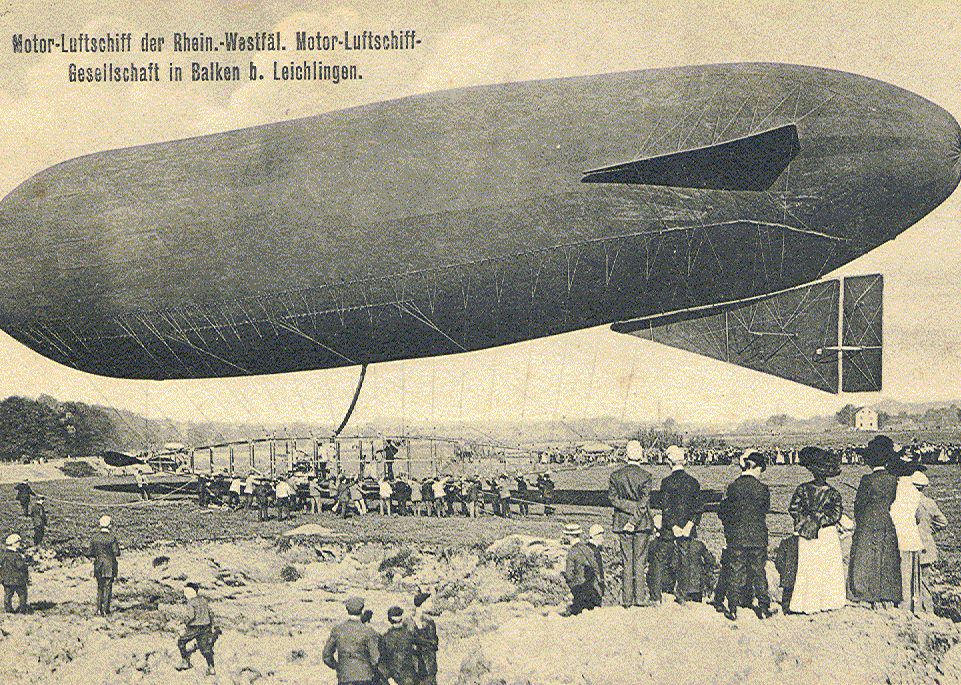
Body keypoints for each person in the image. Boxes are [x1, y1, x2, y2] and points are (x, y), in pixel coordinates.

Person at [788, 446, 845, 614]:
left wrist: (805, 521)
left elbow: (793, 508)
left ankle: (806, 603)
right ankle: (828, 601)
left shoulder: (803, 488)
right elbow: (836, 515)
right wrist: (821, 520)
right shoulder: (833, 493)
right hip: (826, 532)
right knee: (828, 567)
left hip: (807, 531)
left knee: (808, 567)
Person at [849, 435, 902, 608]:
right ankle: (887, 594)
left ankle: (867, 594)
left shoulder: (867, 480)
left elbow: (859, 505)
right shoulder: (893, 479)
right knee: (886, 559)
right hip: (886, 522)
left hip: (868, 523)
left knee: (866, 558)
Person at [721, 450, 772, 620]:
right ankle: (764, 608)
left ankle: (733, 608)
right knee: (759, 572)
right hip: (757, 536)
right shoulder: (762, 489)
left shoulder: (733, 487)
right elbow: (764, 510)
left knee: (735, 570)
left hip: (737, 536)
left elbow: (725, 512)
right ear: (755, 467)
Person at [651, 445, 701, 606]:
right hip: (687, 528)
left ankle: (658, 596)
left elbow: (666, 508)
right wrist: (689, 525)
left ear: (669, 462)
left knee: (661, 559)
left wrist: (673, 526)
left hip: (669, 529)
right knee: (685, 560)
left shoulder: (666, 482)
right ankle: (682, 595)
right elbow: (697, 508)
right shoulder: (693, 482)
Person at [608, 440, 654, 607]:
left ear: (626, 455)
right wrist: (635, 516)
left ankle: (627, 600)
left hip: (622, 522)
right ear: (641, 455)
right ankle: (640, 599)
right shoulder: (646, 476)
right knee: (640, 561)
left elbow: (613, 499)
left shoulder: (615, 476)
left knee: (627, 561)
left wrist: (628, 513)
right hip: (641, 523)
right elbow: (643, 503)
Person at [890, 467, 925, 614]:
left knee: (902, 575)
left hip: (899, 540)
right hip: (913, 540)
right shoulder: (915, 493)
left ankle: (902, 607)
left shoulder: (897, 491)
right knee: (914, 578)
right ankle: (914, 607)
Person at [323, 597, 381, 685]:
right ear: (361, 609)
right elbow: (375, 658)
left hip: (344, 678)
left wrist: (338, 667)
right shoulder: (368, 631)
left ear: (347, 609)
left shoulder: (338, 630)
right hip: (365, 677)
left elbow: (327, 655)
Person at [915, 472, 947, 613]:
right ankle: (928, 611)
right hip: (927, 545)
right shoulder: (929, 503)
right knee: (925, 582)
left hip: (912, 545)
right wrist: (928, 530)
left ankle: (921, 611)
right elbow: (943, 522)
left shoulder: (907, 502)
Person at [175, 582, 219, 675]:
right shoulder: (203, 600)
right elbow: (210, 614)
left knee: (181, 642)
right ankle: (211, 668)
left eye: (186, 592)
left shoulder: (191, 602)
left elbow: (191, 616)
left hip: (195, 627)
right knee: (205, 648)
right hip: (206, 627)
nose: (184, 594)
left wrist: (184, 622)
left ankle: (185, 662)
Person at [564, 524, 605, 615]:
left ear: (570, 537)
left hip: (580, 593)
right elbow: (597, 569)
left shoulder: (572, 552)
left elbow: (569, 575)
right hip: (593, 592)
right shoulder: (587, 549)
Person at [88, 515, 120, 615]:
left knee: (100, 587)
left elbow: (90, 553)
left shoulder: (95, 538)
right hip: (109, 565)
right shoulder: (111, 538)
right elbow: (117, 552)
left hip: (98, 565)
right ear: (110, 526)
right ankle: (106, 610)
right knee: (108, 587)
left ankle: (98, 609)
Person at [380, 606, 417, 685]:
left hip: (392, 679)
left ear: (389, 620)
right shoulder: (410, 635)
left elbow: (381, 661)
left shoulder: (385, 638)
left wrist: (389, 678)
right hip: (409, 678)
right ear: (401, 619)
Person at [409, 592, 438, 685]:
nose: (431, 604)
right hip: (426, 662)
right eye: (429, 602)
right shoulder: (429, 622)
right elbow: (433, 643)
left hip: (417, 663)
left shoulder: (409, 621)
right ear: (423, 604)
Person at [0, 534, 28, 613]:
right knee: (22, 594)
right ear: (14, 544)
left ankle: (8, 609)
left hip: (6, 580)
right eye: (18, 543)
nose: (20, 544)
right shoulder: (17, 556)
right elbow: (20, 566)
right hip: (18, 580)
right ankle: (22, 609)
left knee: (8, 595)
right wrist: (24, 560)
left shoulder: (3, 554)